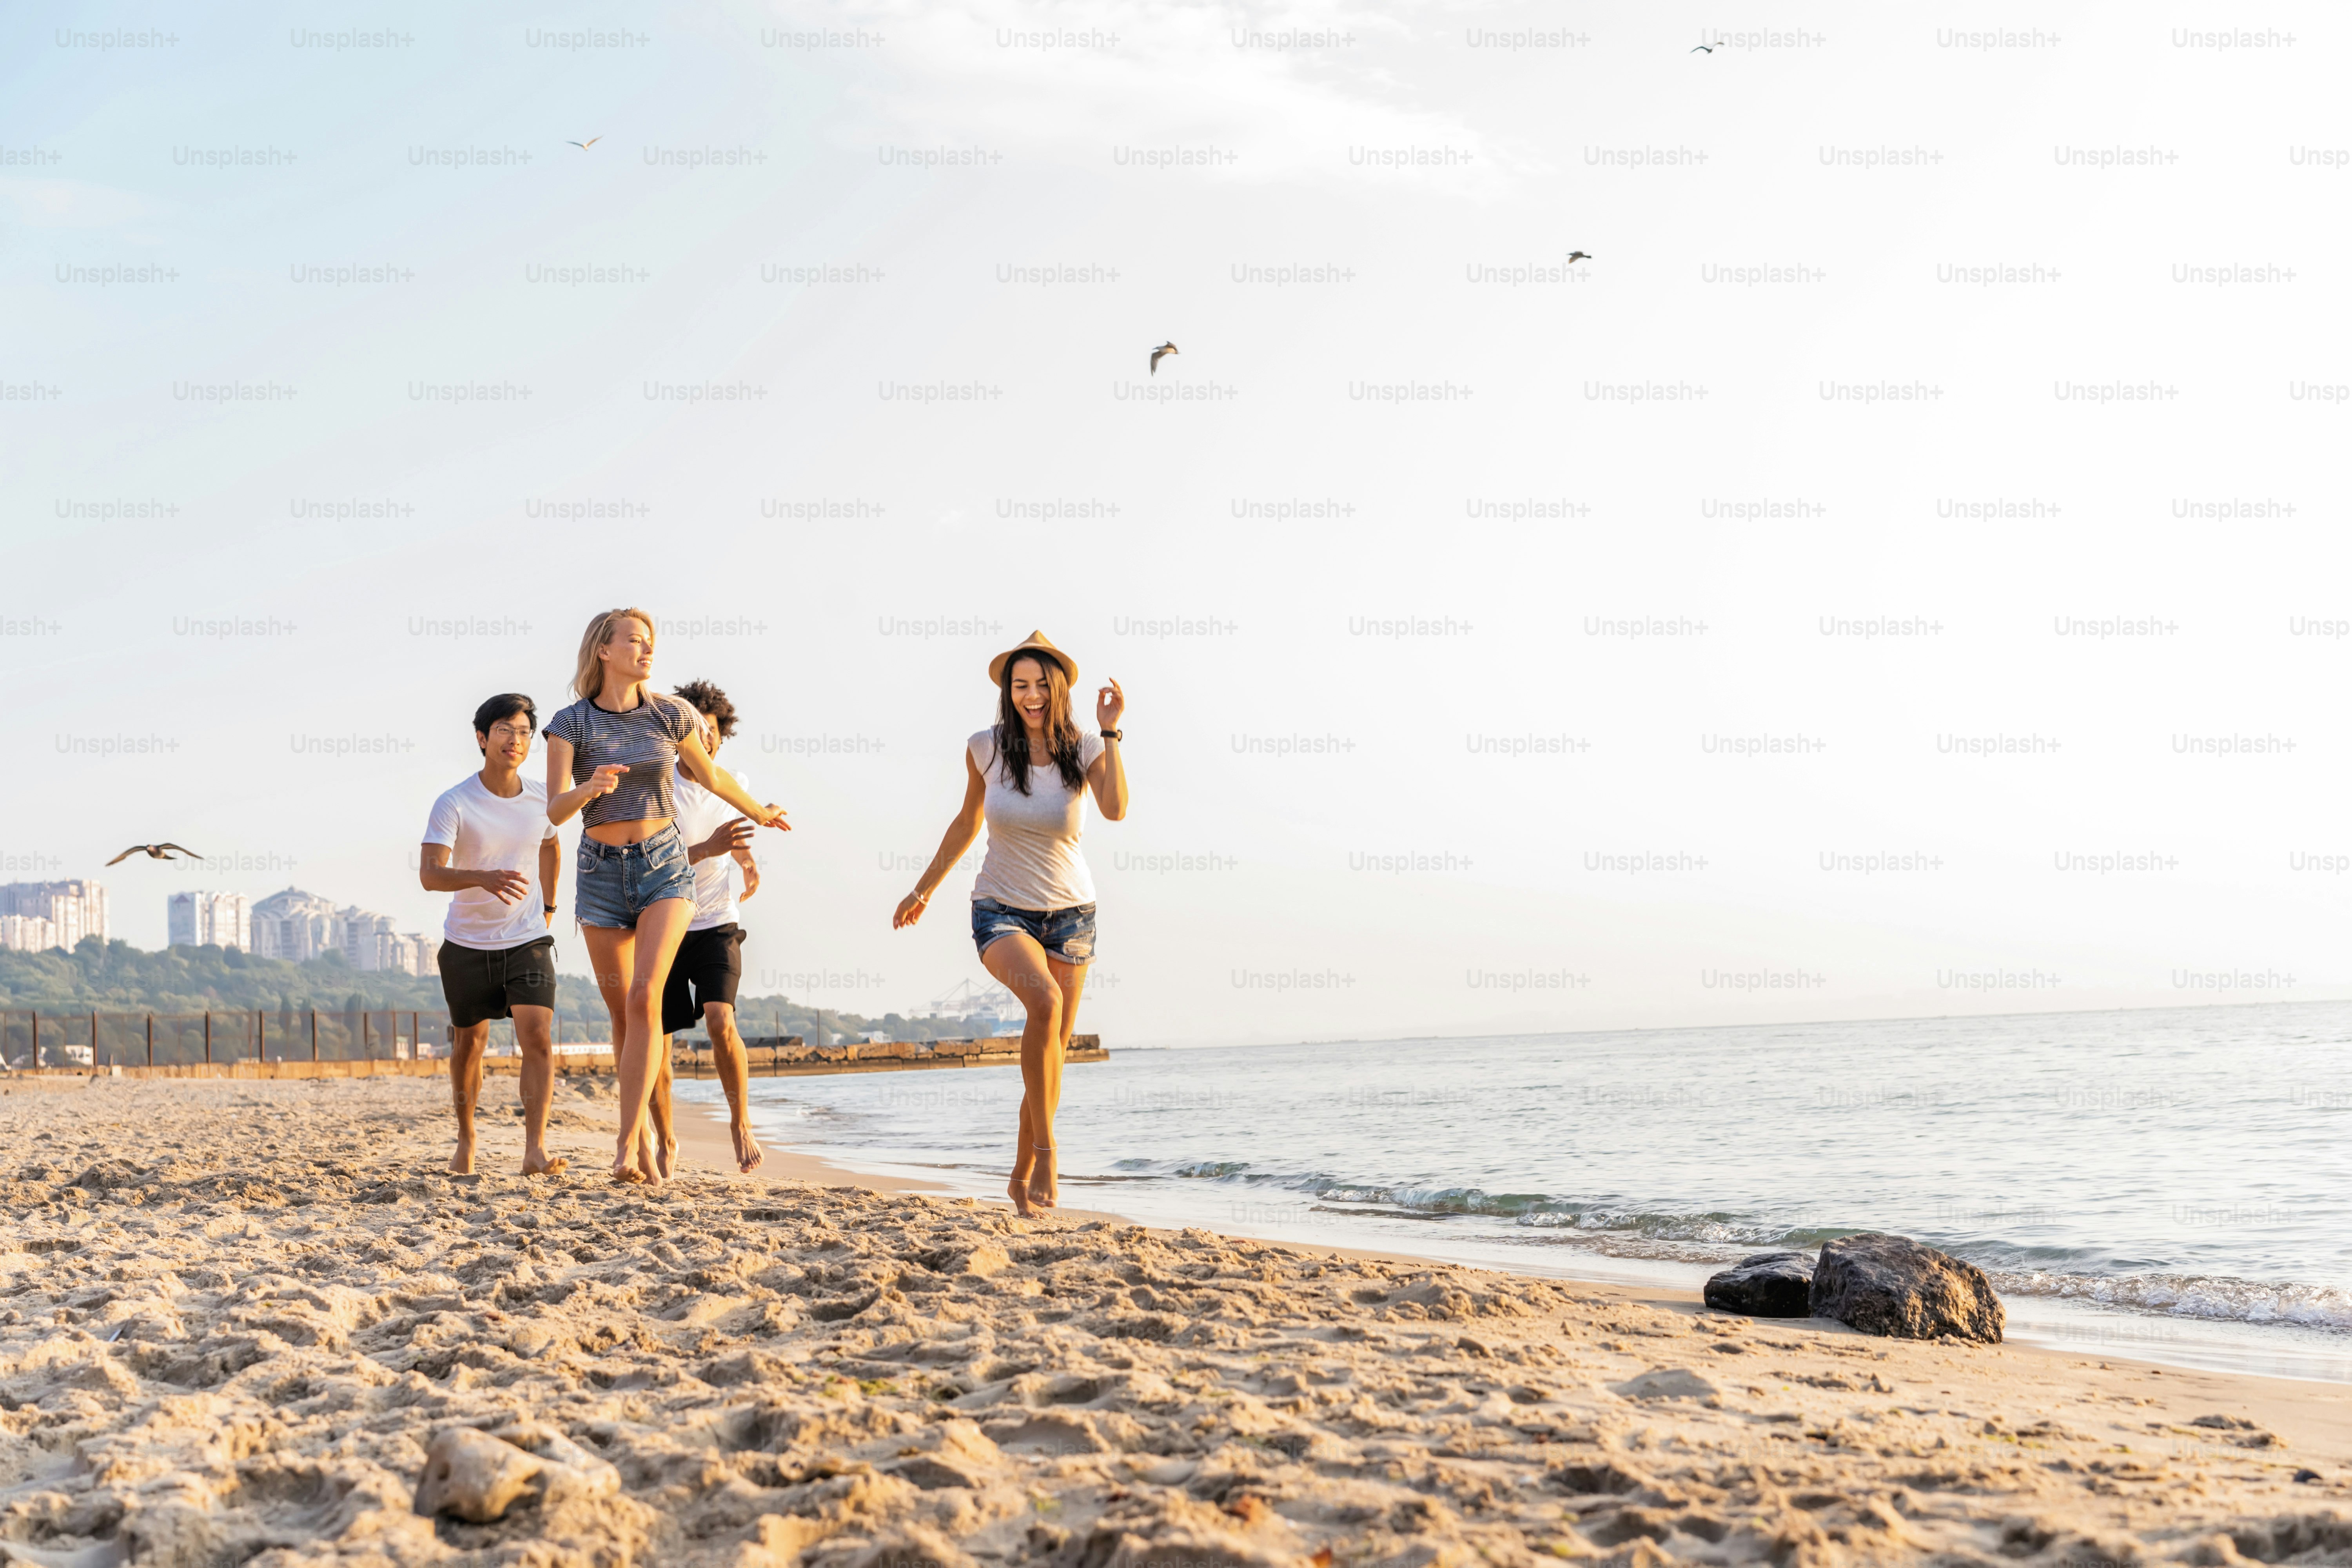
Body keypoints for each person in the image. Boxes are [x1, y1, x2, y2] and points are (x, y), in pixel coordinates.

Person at [544, 608, 786, 1184]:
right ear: (604, 650)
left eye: (651, 642)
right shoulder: (569, 724)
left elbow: (713, 779)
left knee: (646, 997)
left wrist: (761, 812)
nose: (647, 649)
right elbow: (554, 810)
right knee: (623, 1015)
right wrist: (591, 787)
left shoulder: (671, 715)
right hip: (600, 873)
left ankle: (626, 1148)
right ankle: (648, 1134)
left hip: (663, 868)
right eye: (635, 640)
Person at [893, 631, 1127, 1216]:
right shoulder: (985, 748)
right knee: (1043, 1006)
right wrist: (923, 889)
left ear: (1060, 689)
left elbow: (1117, 808)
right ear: (1007, 691)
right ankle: (1047, 1151)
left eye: (1041, 685)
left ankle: (1020, 1176)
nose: (1031, 695)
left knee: (1050, 1049)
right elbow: (967, 823)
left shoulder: (1085, 750)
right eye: (1020, 685)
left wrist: (1112, 732)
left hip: (1073, 915)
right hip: (1000, 908)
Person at [419, 693, 564, 1177]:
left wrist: (548, 906)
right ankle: (466, 1138)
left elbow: (551, 846)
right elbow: (430, 875)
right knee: (469, 1045)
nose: (515, 740)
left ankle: (535, 1149)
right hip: (466, 943)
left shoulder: (545, 797)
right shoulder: (455, 802)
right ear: (482, 738)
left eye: (524, 732)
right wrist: (482, 877)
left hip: (527, 937)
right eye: (505, 729)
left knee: (538, 1038)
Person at [651, 679, 767, 1174]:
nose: (706, 737)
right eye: (695, 728)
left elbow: (733, 836)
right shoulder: (657, 783)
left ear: (722, 734)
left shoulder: (729, 780)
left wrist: (746, 860)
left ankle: (741, 1123)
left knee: (721, 1019)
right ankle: (667, 1139)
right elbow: (653, 858)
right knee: (661, 1037)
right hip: (664, 917)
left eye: (713, 729)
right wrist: (712, 850)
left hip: (718, 918)